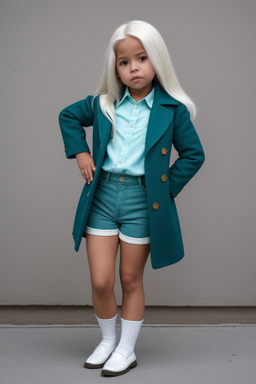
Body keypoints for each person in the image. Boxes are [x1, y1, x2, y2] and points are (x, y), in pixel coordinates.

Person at [58, 20, 205, 377]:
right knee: (100, 280)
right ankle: (108, 340)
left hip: (144, 202)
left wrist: (164, 189)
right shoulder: (104, 103)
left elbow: (193, 155)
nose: (133, 67)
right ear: (116, 68)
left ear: (157, 61)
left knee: (130, 279)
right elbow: (68, 116)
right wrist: (81, 153)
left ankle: (127, 348)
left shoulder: (172, 110)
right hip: (104, 195)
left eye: (141, 58)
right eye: (124, 62)